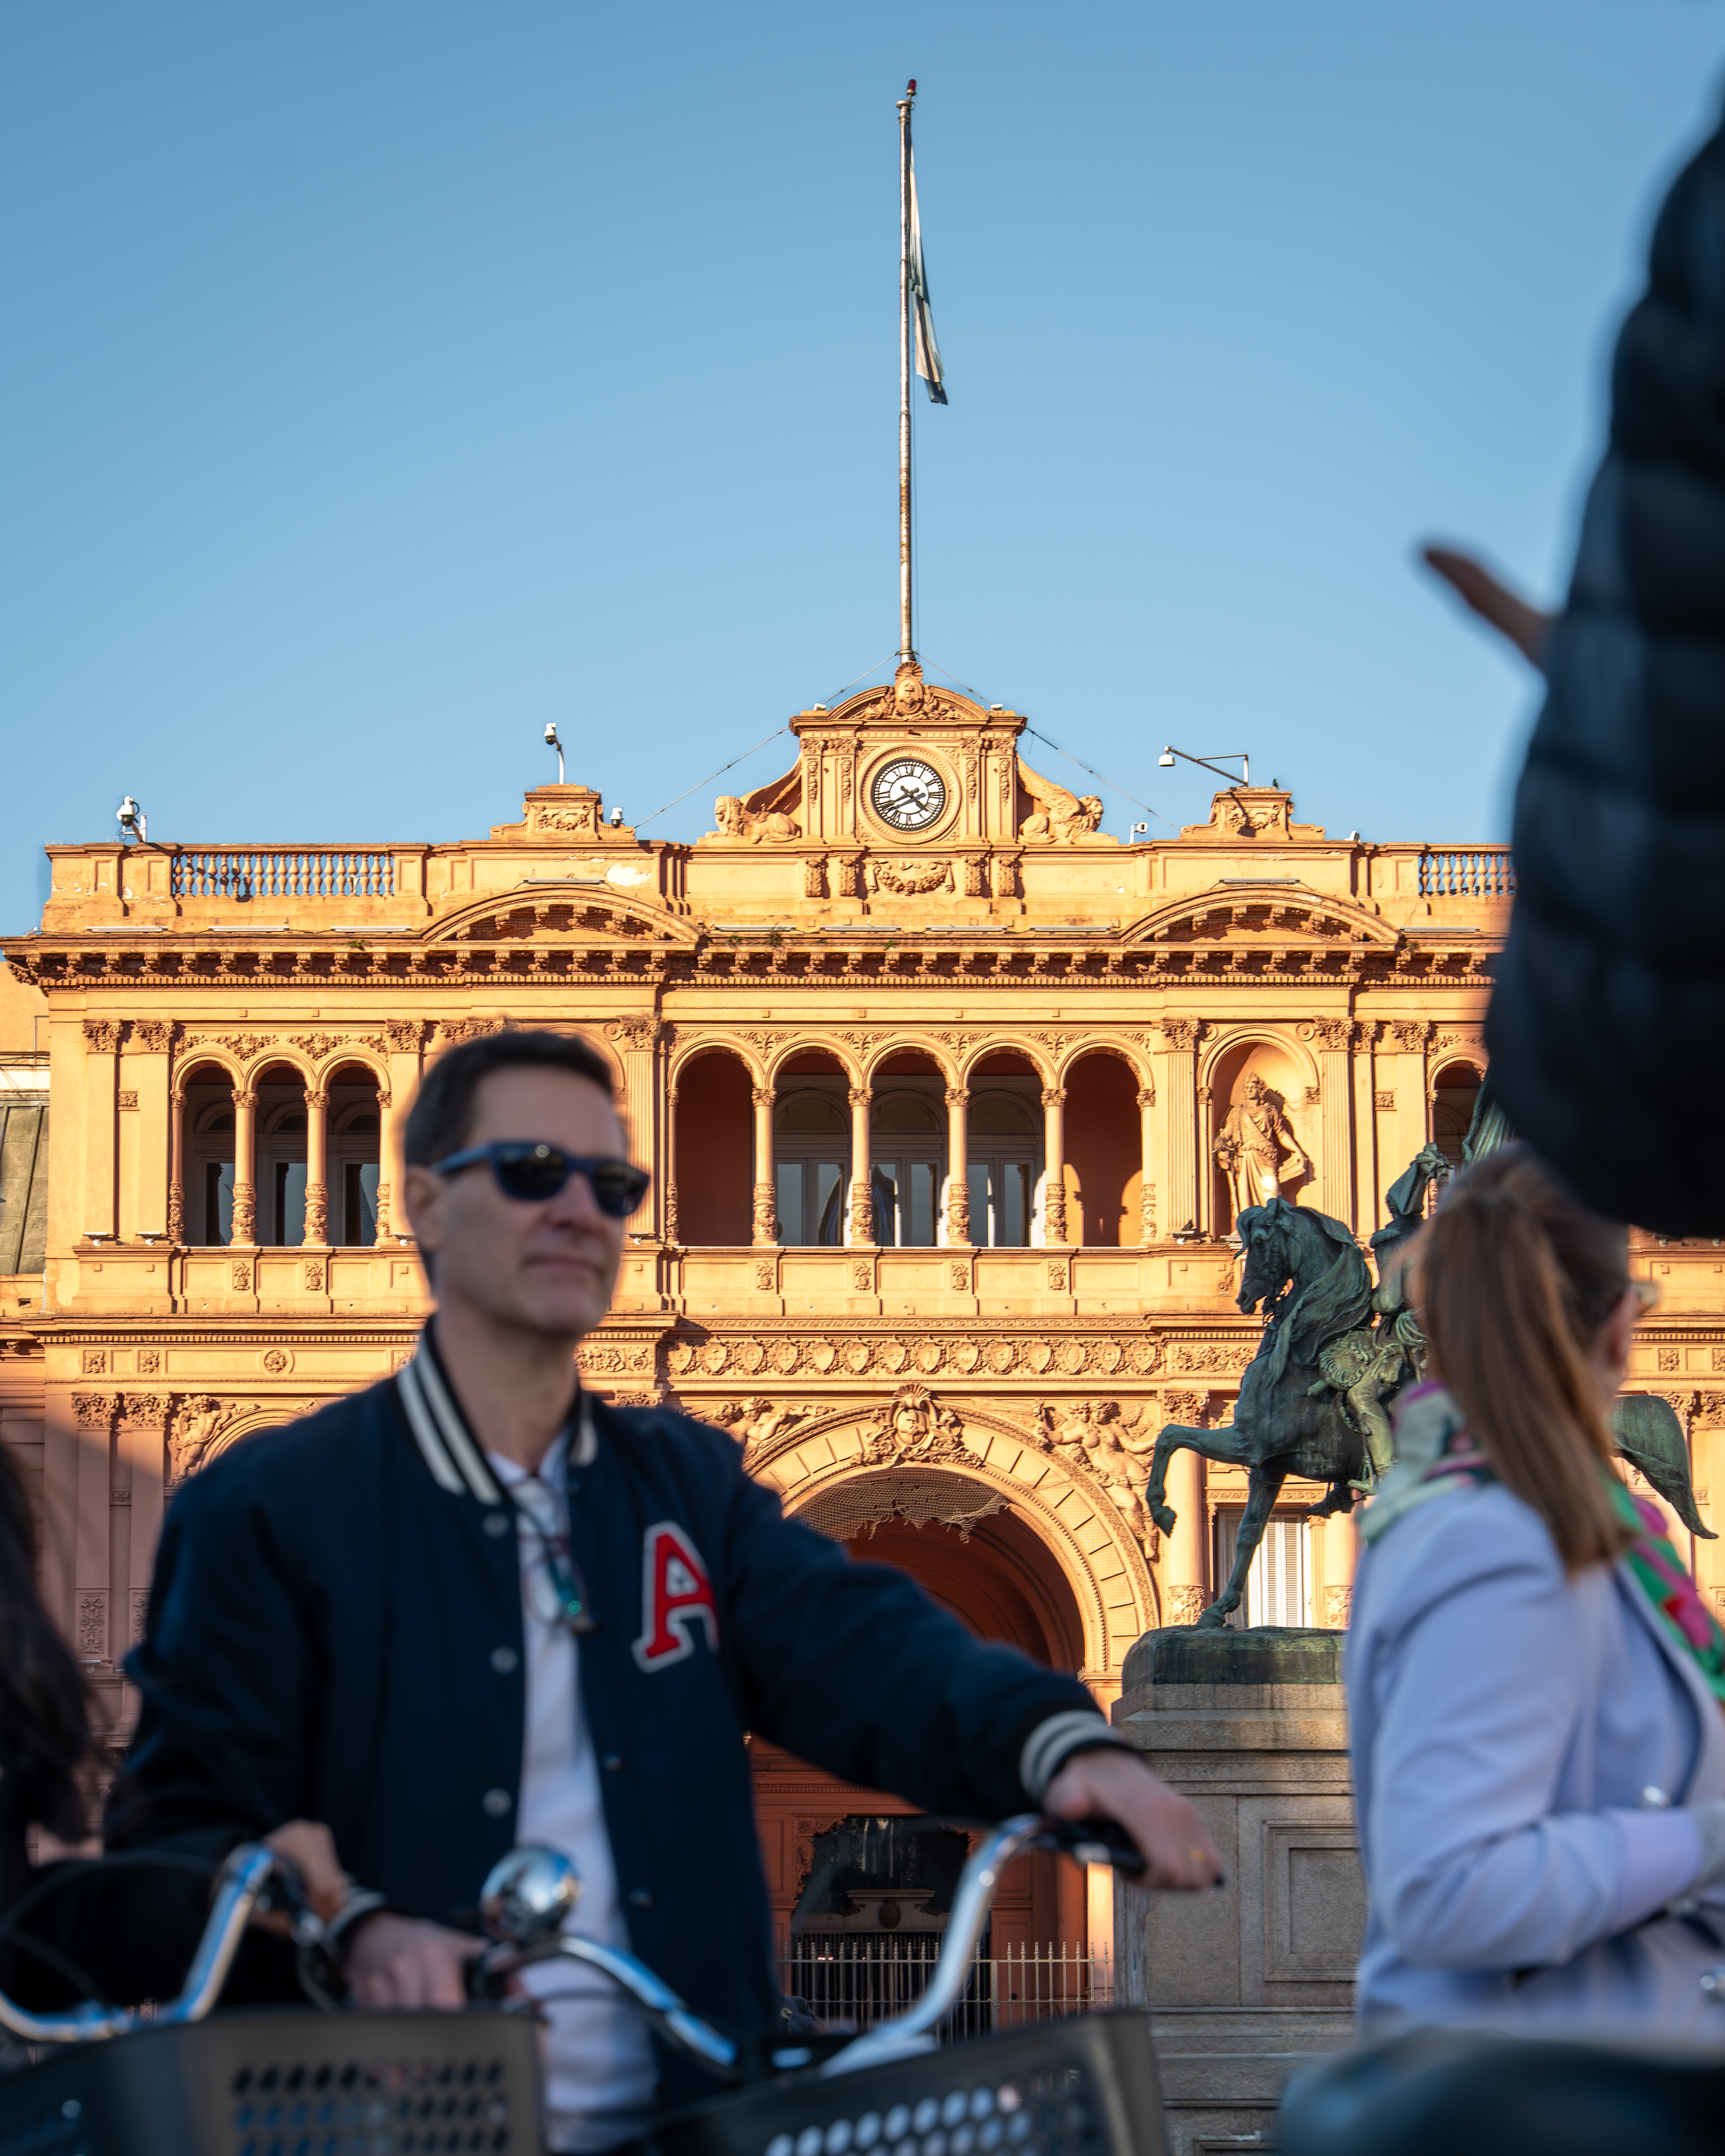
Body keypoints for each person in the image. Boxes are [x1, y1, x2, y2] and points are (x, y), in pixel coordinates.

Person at [109, 1029, 1222, 2152]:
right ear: (427, 1205)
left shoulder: (680, 1489)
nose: (579, 1209)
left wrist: (1058, 1746)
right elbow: (171, 1846)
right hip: (385, 2122)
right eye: (532, 1171)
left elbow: (861, 1647)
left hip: (690, 2111)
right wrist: (349, 1926)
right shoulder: (271, 1508)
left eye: (611, 1182)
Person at [1347, 1143, 1725, 2042]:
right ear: (1615, 1328)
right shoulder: (1490, 1539)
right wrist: (1706, 1841)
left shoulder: (1522, 1520)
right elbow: (1446, 1886)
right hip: (1555, 2084)